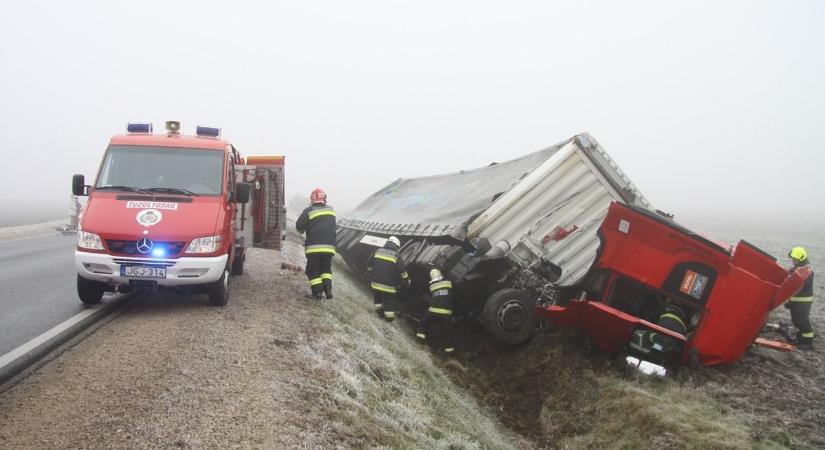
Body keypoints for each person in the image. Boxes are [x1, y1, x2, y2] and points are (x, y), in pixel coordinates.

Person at [295, 188, 336, 300]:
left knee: (312, 270)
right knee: (325, 269)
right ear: (324, 198)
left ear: (312, 199)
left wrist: (302, 231)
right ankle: (327, 288)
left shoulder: (309, 210)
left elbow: (299, 226)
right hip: (330, 247)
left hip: (314, 247)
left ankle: (317, 294)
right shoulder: (331, 210)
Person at [367, 236, 409, 321]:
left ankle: (379, 314)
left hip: (375, 283)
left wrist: (371, 273)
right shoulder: (397, 256)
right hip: (389, 287)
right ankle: (389, 319)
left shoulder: (377, 251)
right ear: (396, 246)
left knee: (377, 297)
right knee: (389, 301)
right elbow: (402, 270)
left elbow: (369, 262)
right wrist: (406, 280)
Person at [416, 268, 456, 354]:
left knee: (423, 323)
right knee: (447, 332)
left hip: (433, 310)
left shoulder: (432, 286)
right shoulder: (447, 282)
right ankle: (449, 352)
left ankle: (420, 338)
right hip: (446, 313)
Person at [786, 247, 815, 349]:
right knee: (796, 320)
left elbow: (799, 285)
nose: (793, 261)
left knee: (802, 321)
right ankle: (801, 338)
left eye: (795, 259)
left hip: (803, 301)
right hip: (796, 301)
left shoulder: (806, 270)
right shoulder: (799, 268)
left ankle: (808, 342)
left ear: (800, 259)